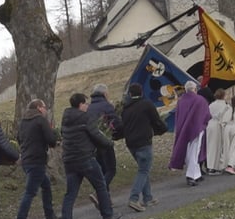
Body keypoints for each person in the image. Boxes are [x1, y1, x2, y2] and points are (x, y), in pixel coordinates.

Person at [59, 93, 121, 219]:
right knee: (100, 186)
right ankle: (108, 216)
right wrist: (109, 143)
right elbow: (96, 134)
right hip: (85, 158)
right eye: (86, 104)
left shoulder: (65, 118)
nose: (87, 106)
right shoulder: (85, 117)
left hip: (69, 160)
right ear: (81, 104)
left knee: (70, 193)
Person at [14, 99, 61, 219]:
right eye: (45, 107)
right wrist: (53, 135)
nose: (46, 110)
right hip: (37, 160)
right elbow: (51, 140)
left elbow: (18, 138)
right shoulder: (40, 120)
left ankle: (50, 216)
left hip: (27, 159)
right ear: (39, 108)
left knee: (46, 186)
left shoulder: (23, 122)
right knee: (30, 192)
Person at [121, 83, 168, 212]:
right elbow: (156, 120)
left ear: (130, 95)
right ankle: (134, 198)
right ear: (141, 93)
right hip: (143, 142)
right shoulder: (146, 105)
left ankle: (148, 198)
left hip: (131, 144)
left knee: (143, 169)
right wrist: (162, 129)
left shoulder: (125, 109)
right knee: (143, 171)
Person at [168, 80, 211, 186]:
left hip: (184, 129)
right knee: (194, 152)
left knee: (190, 152)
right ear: (195, 89)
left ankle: (196, 174)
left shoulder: (181, 101)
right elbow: (206, 114)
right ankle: (191, 176)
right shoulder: (200, 100)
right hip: (196, 129)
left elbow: (178, 116)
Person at [86, 83, 123, 204]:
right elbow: (116, 122)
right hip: (104, 141)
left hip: (92, 144)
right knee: (111, 170)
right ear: (105, 94)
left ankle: (105, 200)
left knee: (102, 171)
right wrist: (117, 135)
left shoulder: (89, 107)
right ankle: (98, 193)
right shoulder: (106, 106)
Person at [205, 89, 229, 175]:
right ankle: (218, 166)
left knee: (211, 146)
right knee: (219, 146)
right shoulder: (225, 105)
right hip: (219, 125)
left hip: (210, 124)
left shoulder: (211, 105)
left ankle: (210, 167)